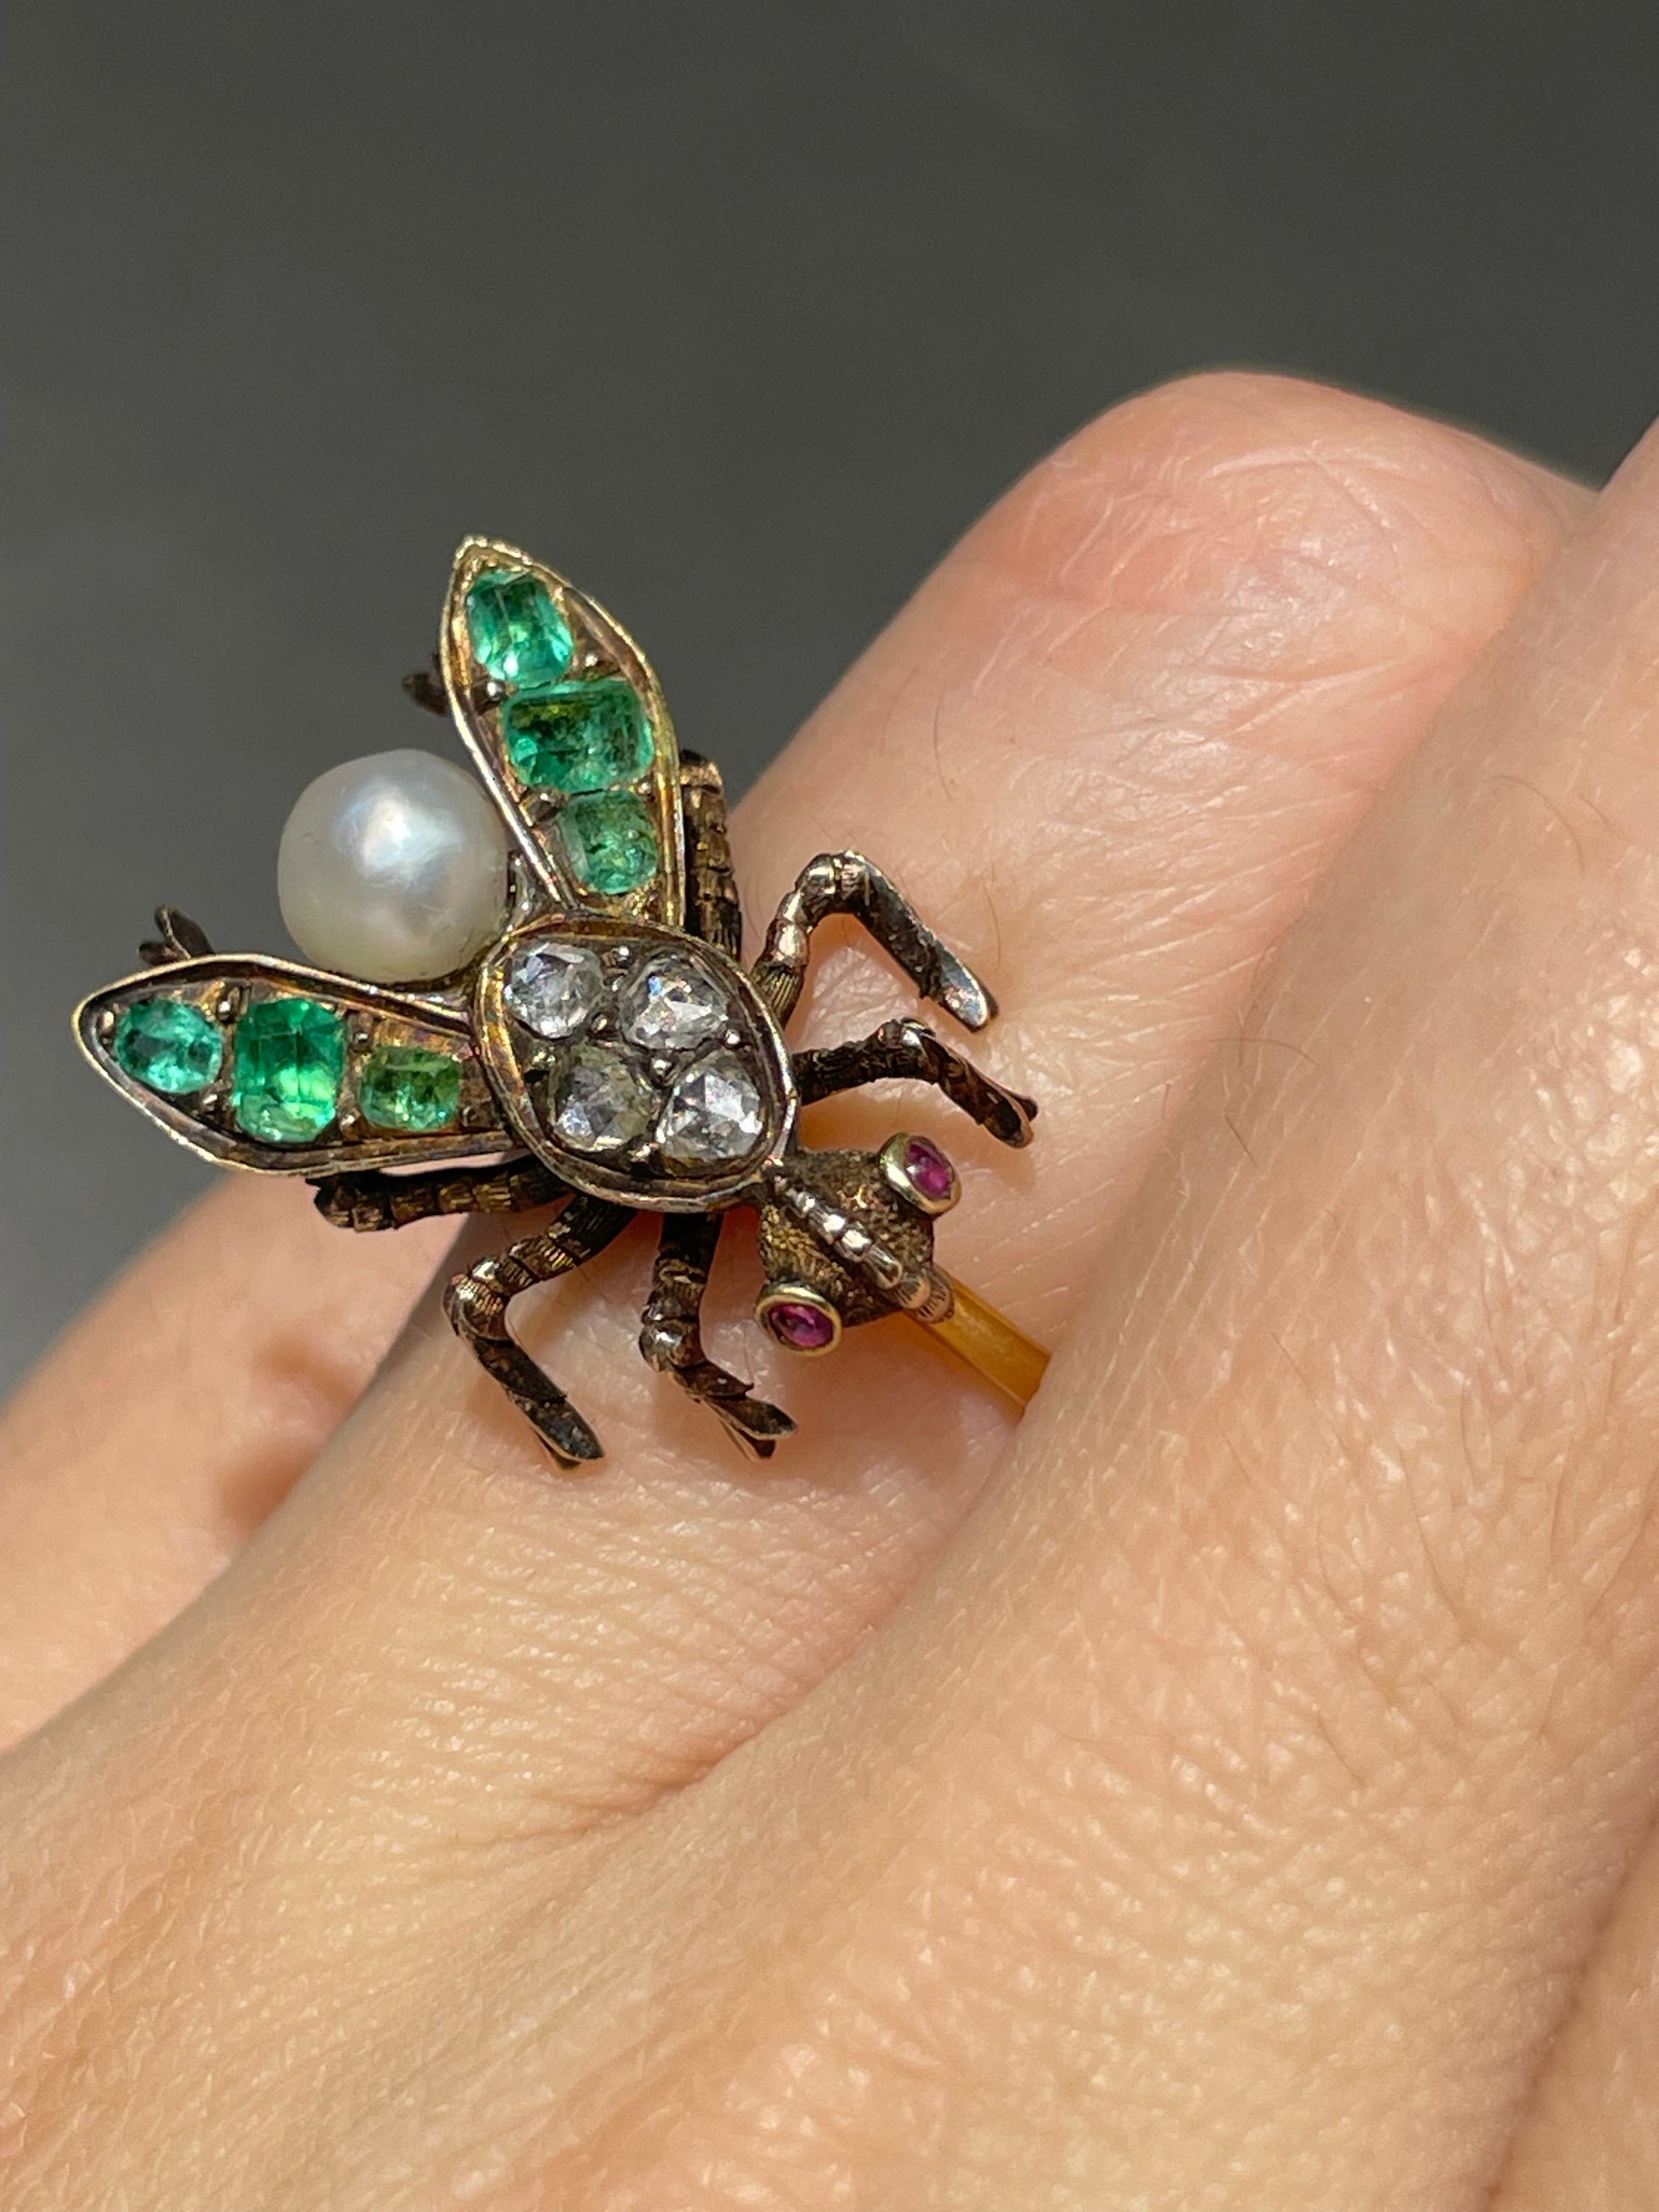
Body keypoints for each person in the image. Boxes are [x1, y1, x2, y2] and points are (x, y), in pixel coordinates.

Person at [0, 371, 1648, 2208]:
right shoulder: (594, 1097)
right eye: (834, 1266)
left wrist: (942, 1102)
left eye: (887, 1202)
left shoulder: (693, 1167)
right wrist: (920, 1080)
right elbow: (514, 1257)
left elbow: (583, 1234)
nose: (854, 1245)